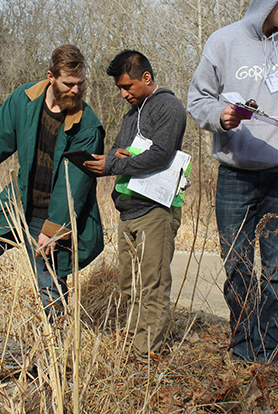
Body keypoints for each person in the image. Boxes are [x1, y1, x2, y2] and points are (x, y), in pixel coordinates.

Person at [187, 0, 278, 367]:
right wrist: (221, 116)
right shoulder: (224, 42)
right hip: (236, 176)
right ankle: (245, 354)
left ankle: (275, 357)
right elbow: (198, 100)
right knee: (239, 271)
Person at [0, 44, 105, 324]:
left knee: (49, 287)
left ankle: (57, 349)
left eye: (81, 84)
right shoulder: (24, 101)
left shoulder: (87, 125)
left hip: (52, 216)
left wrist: (54, 229)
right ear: (50, 76)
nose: (76, 91)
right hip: (17, 202)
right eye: (69, 84)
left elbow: (74, 185)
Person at [84, 49, 187, 357]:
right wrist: (115, 158)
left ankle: (146, 356)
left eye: (127, 86)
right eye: (119, 88)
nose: (122, 93)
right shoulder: (132, 112)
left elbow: (160, 155)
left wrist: (115, 164)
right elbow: (118, 149)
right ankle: (130, 346)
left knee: (152, 286)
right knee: (129, 286)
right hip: (127, 211)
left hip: (155, 212)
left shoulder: (169, 107)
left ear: (146, 77)